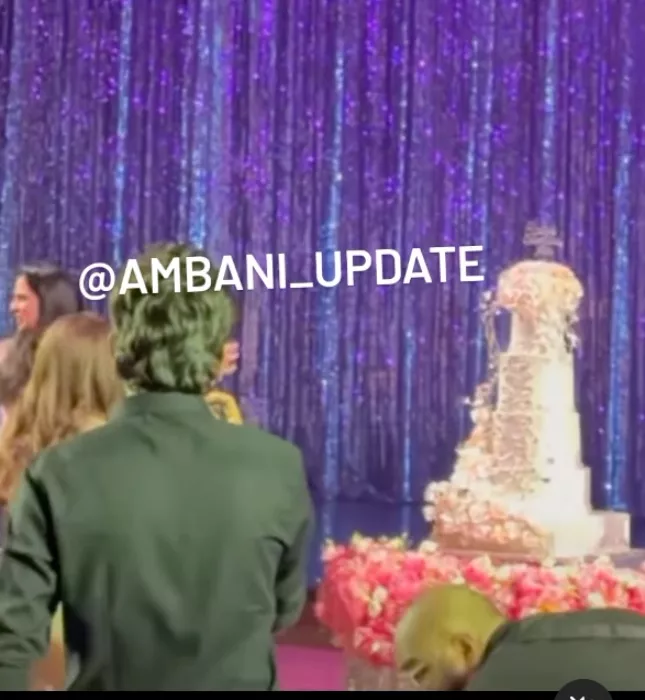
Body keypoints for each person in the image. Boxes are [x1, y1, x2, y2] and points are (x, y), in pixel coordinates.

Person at [0, 242, 313, 691]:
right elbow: (282, 609)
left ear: (120, 344)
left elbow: (13, 640)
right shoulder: (278, 467)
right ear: (215, 349)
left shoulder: (57, 473)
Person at [394, 583, 645, 691]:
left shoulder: (493, 682)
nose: (420, 688)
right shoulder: (623, 621)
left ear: (464, 648)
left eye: (421, 674)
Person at [0, 264, 83, 413]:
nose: (13, 307)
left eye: (22, 299)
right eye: (13, 298)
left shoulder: (83, 354)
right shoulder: (5, 355)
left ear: (50, 302)